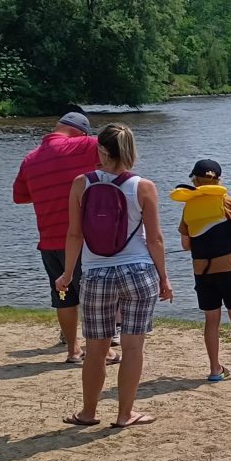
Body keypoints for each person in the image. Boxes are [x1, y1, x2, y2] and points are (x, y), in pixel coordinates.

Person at [57, 123, 173, 429]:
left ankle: (88, 413)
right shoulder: (144, 186)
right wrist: (164, 277)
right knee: (133, 348)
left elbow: (74, 234)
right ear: (130, 149)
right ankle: (125, 414)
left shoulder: (81, 184)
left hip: (96, 274)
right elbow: (155, 239)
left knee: (96, 349)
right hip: (138, 272)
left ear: (100, 150)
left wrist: (67, 273)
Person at [12, 112, 119, 363]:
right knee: (93, 296)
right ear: (82, 132)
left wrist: (50, 192)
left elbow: (19, 197)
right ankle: (103, 351)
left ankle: (73, 350)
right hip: (82, 240)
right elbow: (117, 159)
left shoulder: (30, 158)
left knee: (63, 296)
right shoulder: (88, 145)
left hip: (49, 240)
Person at [172, 159, 231, 381]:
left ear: (194, 180)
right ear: (218, 180)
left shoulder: (189, 206)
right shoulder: (225, 201)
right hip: (229, 267)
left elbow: (185, 244)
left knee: (211, 319)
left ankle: (214, 369)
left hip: (202, 271)